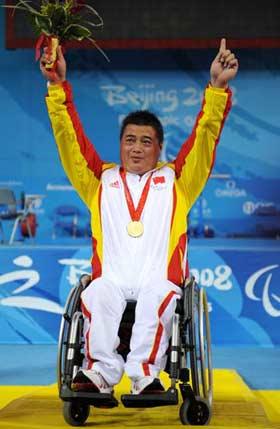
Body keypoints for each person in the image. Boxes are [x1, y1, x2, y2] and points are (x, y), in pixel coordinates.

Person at [40, 38, 238, 396]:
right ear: (120, 145)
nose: (136, 148)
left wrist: (217, 89)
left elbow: (204, 138)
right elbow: (69, 139)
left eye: (146, 141)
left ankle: (145, 376)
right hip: (112, 279)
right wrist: (57, 87)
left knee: (157, 296)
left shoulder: (177, 182)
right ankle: (99, 373)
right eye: (130, 139)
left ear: (159, 147)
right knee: (96, 294)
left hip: (157, 280)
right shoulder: (100, 181)